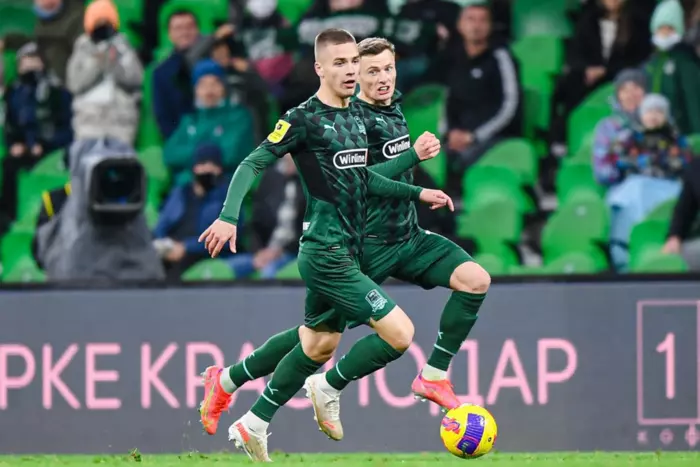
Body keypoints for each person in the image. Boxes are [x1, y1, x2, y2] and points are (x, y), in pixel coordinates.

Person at [197, 29, 452, 461]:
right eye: (339, 63)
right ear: (319, 68)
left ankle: (233, 394)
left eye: (353, 61)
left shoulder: (355, 118)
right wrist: (228, 216)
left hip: (349, 248)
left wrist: (417, 192)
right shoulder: (303, 119)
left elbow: (362, 180)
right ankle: (319, 391)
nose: (350, 70)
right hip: (325, 252)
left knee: (317, 343)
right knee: (400, 333)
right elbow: (253, 162)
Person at [442, 0, 521, 195]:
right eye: (470, 20)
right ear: (460, 25)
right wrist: (450, 132)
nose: (476, 26)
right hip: (459, 135)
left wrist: (475, 136)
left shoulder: (501, 57)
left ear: (490, 26)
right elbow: (448, 101)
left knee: (464, 159)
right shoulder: (454, 58)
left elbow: (510, 106)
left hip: (494, 136)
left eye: (482, 20)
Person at [0, 42, 72, 228]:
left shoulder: (56, 91)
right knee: (9, 165)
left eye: (34, 59)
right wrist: (15, 144)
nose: (30, 65)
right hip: (26, 150)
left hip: (52, 149)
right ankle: (8, 219)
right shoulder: (14, 93)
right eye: (25, 61)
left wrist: (44, 143)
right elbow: (10, 126)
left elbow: (67, 128)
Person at [163, 59, 255, 185]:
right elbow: (170, 154)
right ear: (195, 90)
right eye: (203, 85)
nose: (209, 90)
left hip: (227, 184)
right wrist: (206, 154)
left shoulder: (238, 117)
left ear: (224, 87)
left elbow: (232, 154)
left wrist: (194, 154)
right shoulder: (190, 120)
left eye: (215, 83)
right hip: (188, 186)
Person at [66, 0, 144, 145]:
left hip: (120, 120)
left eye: (106, 22)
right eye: (97, 22)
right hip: (88, 121)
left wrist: (114, 64)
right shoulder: (81, 48)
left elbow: (136, 79)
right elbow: (75, 84)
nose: (102, 27)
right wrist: (97, 64)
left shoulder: (123, 46)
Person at [153, 143, 231, 280]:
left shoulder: (227, 198)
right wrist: (163, 245)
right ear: (194, 168)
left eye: (213, 165)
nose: (208, 169)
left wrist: (186, 247)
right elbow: (162, 225)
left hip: (203, 255)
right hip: (170, 251)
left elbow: (225, 238)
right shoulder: (180, 193)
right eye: (203, 164)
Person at [226, 154, 303, 279]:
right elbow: (257, 221)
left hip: (291, 252)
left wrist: (279, 251)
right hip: (263, 250)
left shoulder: (309, 186)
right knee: (226, 269)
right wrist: (258, 252)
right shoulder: (270, 179)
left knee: (267, 273)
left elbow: (305, 230)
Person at [646, 0, 700, 134]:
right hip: (654, 127)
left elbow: (693, 99)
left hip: (680, 130)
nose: (665, 33)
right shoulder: (652, 61)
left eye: (670, 28)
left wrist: (697, 134)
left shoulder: (685, 61)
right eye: (661, 28)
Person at [592, 68, 647, 186]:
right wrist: (622, 166)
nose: (631, 95)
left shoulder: (660, 122)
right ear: (618, 95)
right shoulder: (607, 127)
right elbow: (600, 172)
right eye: (625, 90)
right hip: (622, 187)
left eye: (636, 88)